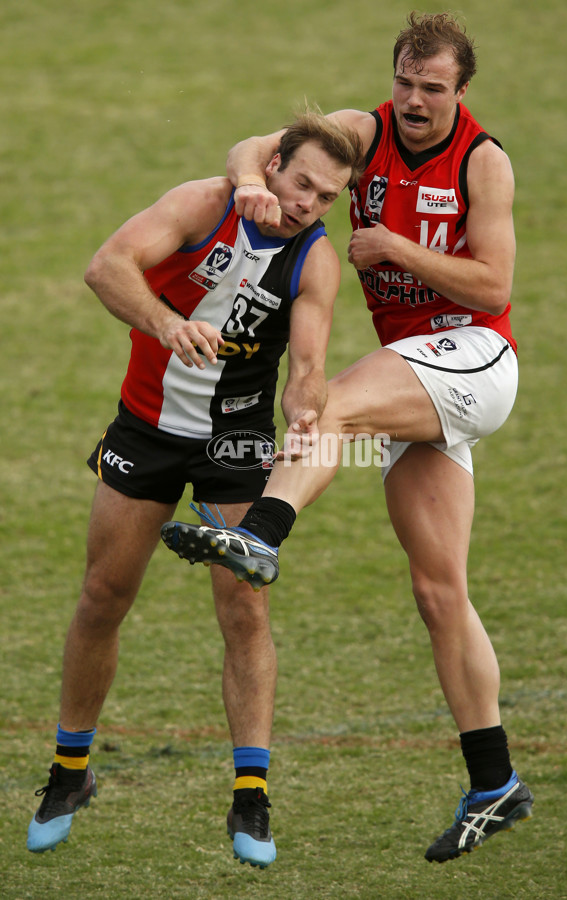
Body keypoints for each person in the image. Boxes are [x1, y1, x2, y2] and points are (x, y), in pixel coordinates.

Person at [161, 12, 534, 864]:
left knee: (324, 406)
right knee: (440, 591)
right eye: (404, 81)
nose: (412, 100)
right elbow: (259, 146)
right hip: (415, 372)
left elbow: (496, 282)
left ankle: (258, 534)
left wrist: (393, 245)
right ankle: (496, 782)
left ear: (460, 92)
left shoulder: (483, 161)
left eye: (431, 89)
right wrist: (249, 180)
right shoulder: (360, 134)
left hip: (474, 356)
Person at [26, 111, 364, 869]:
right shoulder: (202, 205)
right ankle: (69, 773)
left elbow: (308, 364)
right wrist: (164, 321)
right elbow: (106, 266)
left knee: (244, 606)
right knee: (102, 595)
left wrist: (305, 407)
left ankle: (252, 795)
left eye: (327, 196)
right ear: (272, 164)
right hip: (145, 430)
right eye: (302, 182)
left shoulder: (314, 259)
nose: (309, 202)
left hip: (234, 443)